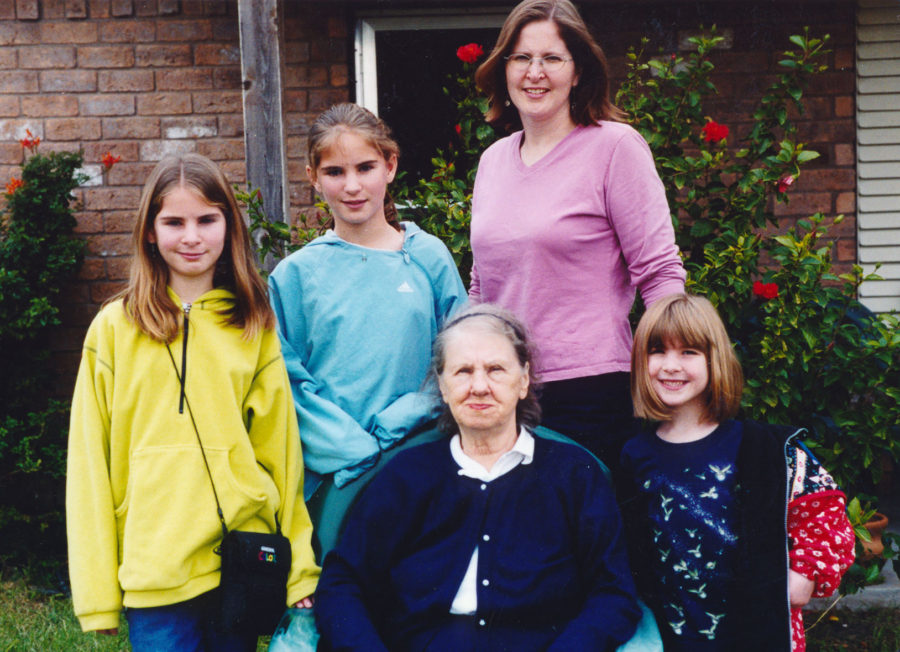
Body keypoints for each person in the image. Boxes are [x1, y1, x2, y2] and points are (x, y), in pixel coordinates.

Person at [66, 153, 319, 650]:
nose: (191, 236)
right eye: (174, 221)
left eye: (207, 219)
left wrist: (300, 568)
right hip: (155, 564)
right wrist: (97, 590)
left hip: (240, 559)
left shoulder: (252, 325)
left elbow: (282, 456)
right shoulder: (114, 329)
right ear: (150, 232)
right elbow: (89, 465)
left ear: (228, 226)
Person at [314, 304, 643, 651]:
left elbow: (613, 593)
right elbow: (342, 583)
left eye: (496, 369)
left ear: (524, 379)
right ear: (442, 385)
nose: (480, 386)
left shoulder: (574, 474)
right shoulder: (406, 476)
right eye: (463, 372)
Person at [469, 0, 685, 469]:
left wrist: (674, 368)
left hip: (591, 394)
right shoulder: (493, 162)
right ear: (504, 69)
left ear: (579, 71)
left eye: (552, 58)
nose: (535, 72)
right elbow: (482, 286)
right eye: (522, 58)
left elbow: (660, 272)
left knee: (588, 537)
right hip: (505, 393)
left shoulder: (615, 148)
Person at [618, 293, 855, 651]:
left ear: (715, 359)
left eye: (688, 352)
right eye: (657, 351)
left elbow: (823, 509)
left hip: (756, 630)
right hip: (672, 633)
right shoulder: (634, 456)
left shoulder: (766, 448)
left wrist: (806, 572)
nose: (670, 365)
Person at [268, 103, 467, 514]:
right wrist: (349, 446)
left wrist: (404, 419)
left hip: (424, 455)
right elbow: (288, 382)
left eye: (365, 167)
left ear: (390, 166)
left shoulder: (428, 256)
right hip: (336, 475)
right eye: (335, 172)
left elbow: (462, 357)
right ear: (313, 178)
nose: (352, 186)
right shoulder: (295, 276)